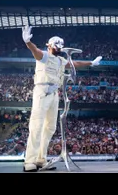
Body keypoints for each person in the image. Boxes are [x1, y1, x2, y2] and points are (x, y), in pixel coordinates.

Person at [22, 25, 102, 172]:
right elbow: (35, 50)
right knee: (36, 126)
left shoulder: (60, 60)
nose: (59, 48)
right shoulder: (44, 56)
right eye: (57, 45)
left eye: (60, 45)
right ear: (50, 45)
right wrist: (28, 42)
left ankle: (41, 159)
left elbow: (75, 64)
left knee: (50, 127)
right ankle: (29, 161)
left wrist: (91, 63)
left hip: (54, 94)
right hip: (42, 92)